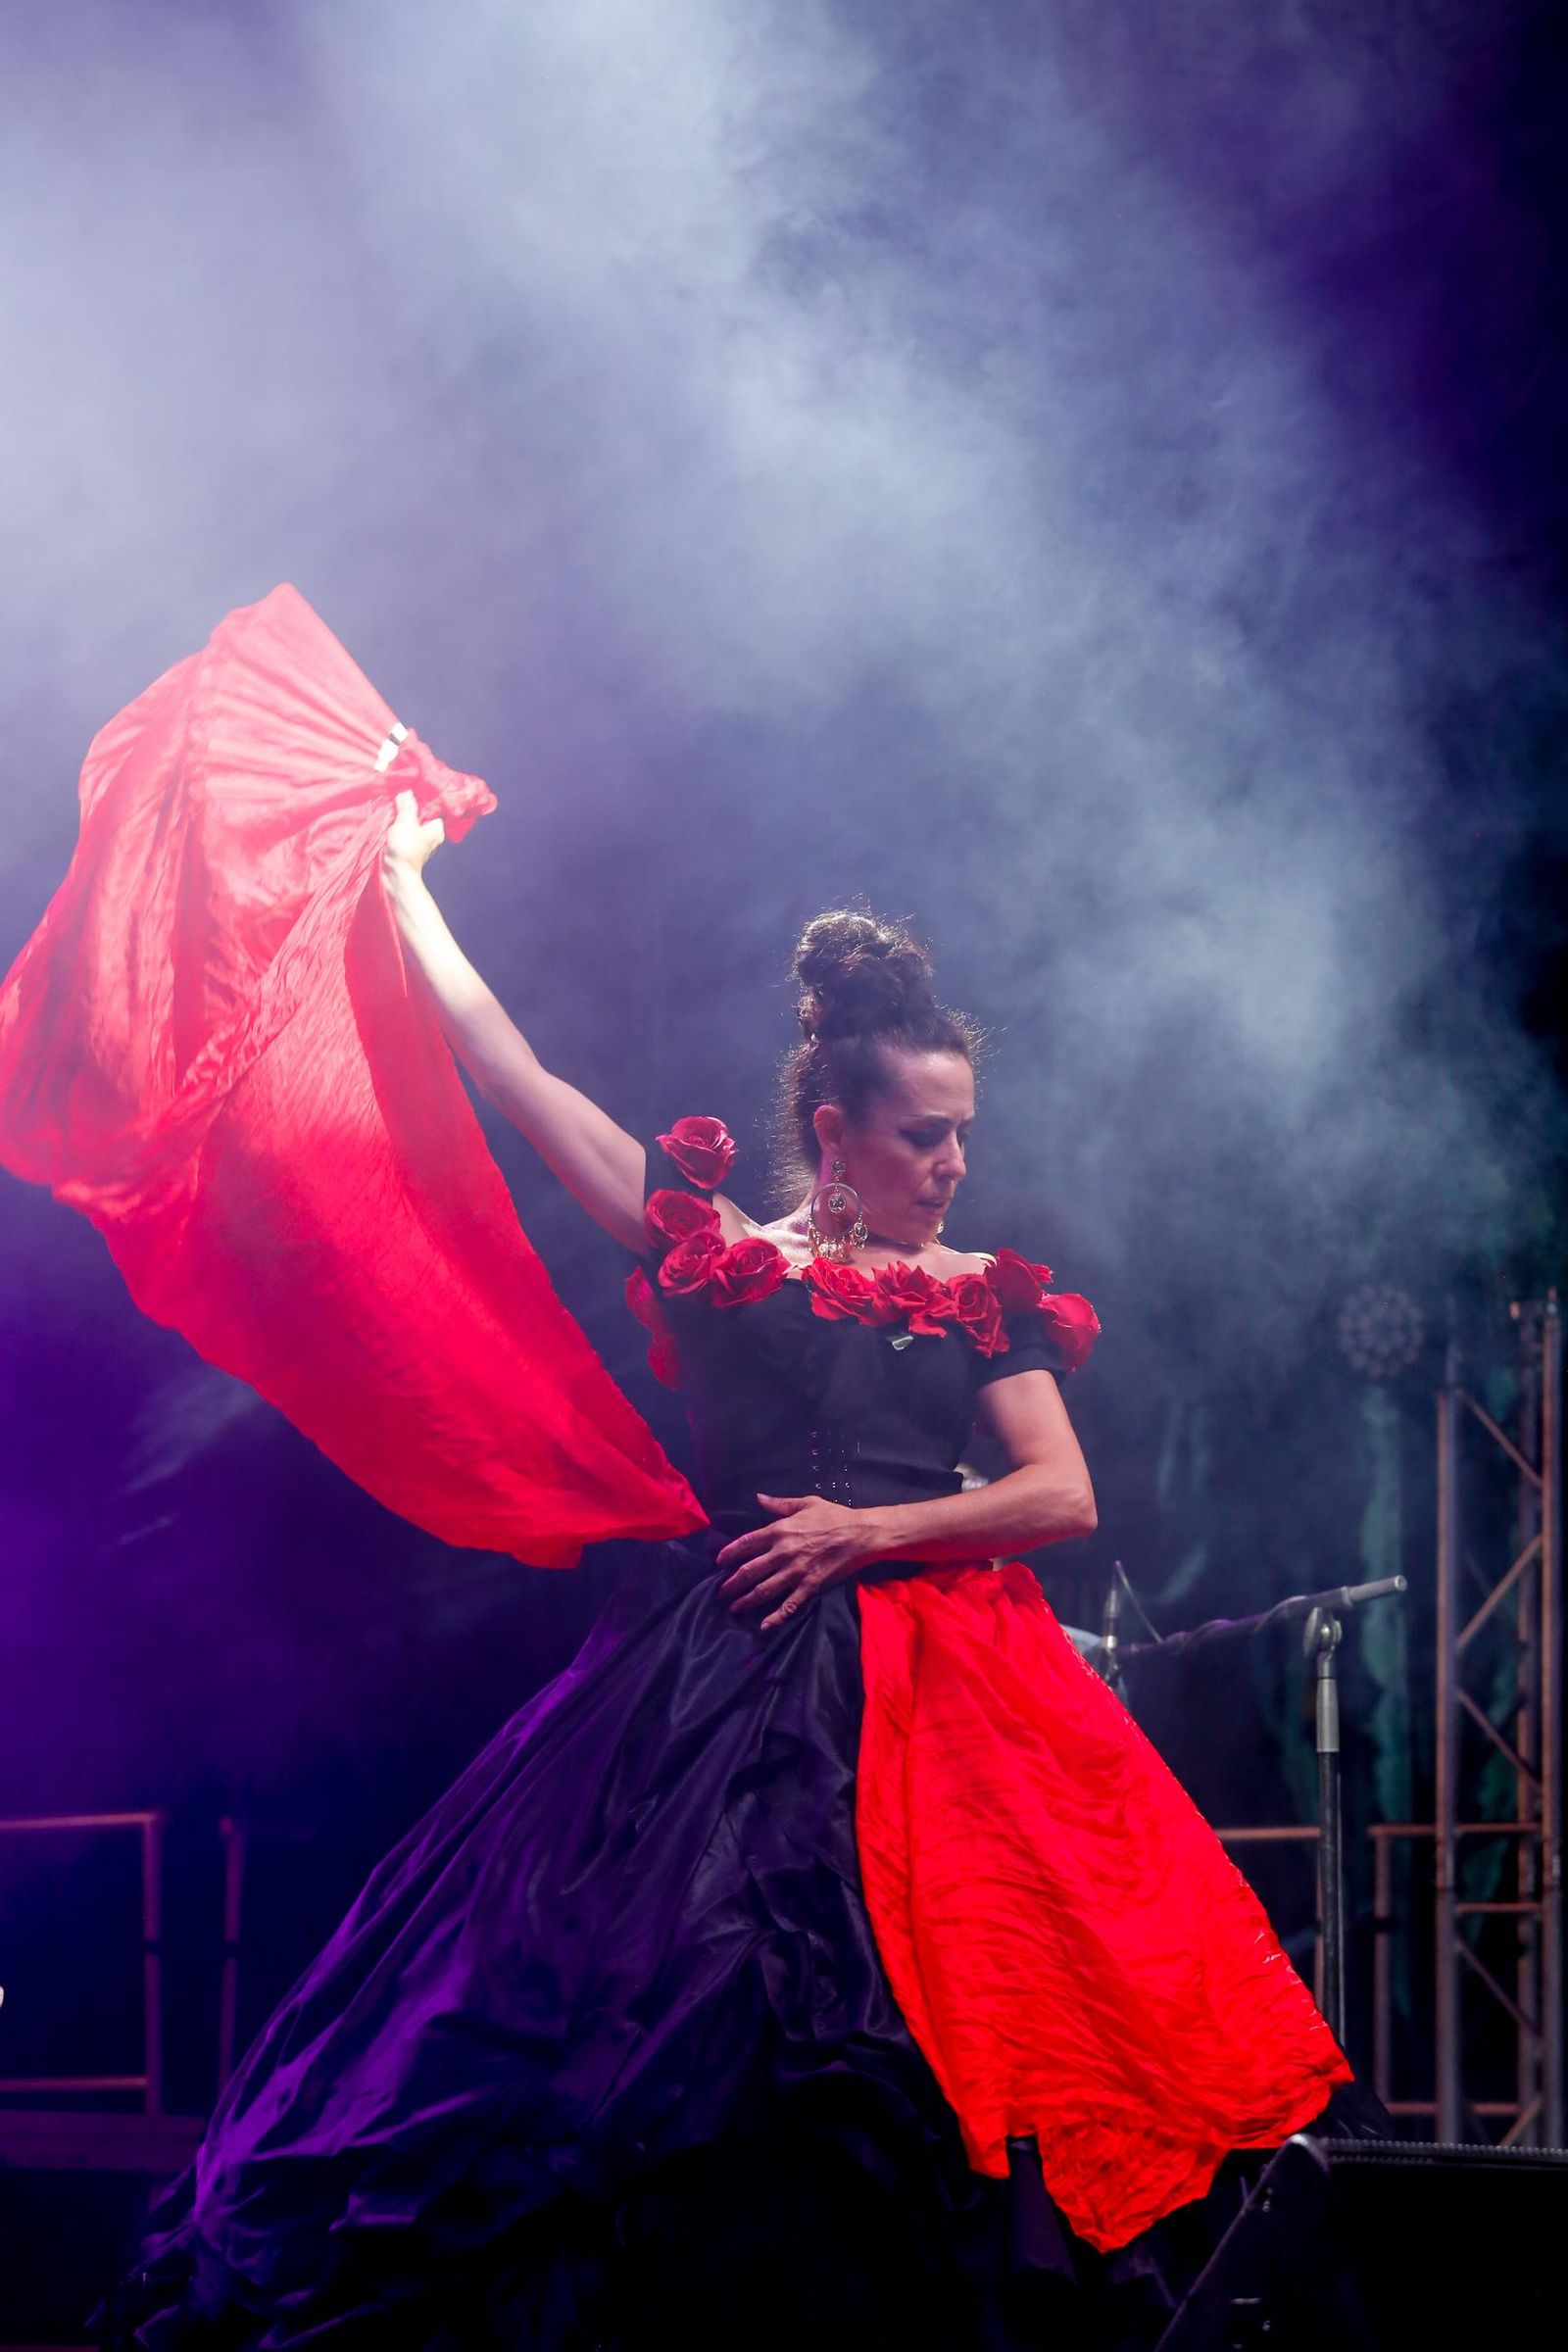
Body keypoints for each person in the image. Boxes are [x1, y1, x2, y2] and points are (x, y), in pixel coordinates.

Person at [113, 794, 1354, 2351]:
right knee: (679, 2007)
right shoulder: (712, 1253)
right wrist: (404, 882)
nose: (955, 1162)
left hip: (949, 1685)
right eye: (924, 1133)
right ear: (835, 1133)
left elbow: (1059, 1491)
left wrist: (871, 1533)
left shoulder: (980, 1296)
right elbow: (513, 1070)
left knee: (967, 2018)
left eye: (965, 1129)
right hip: (717, 1680)